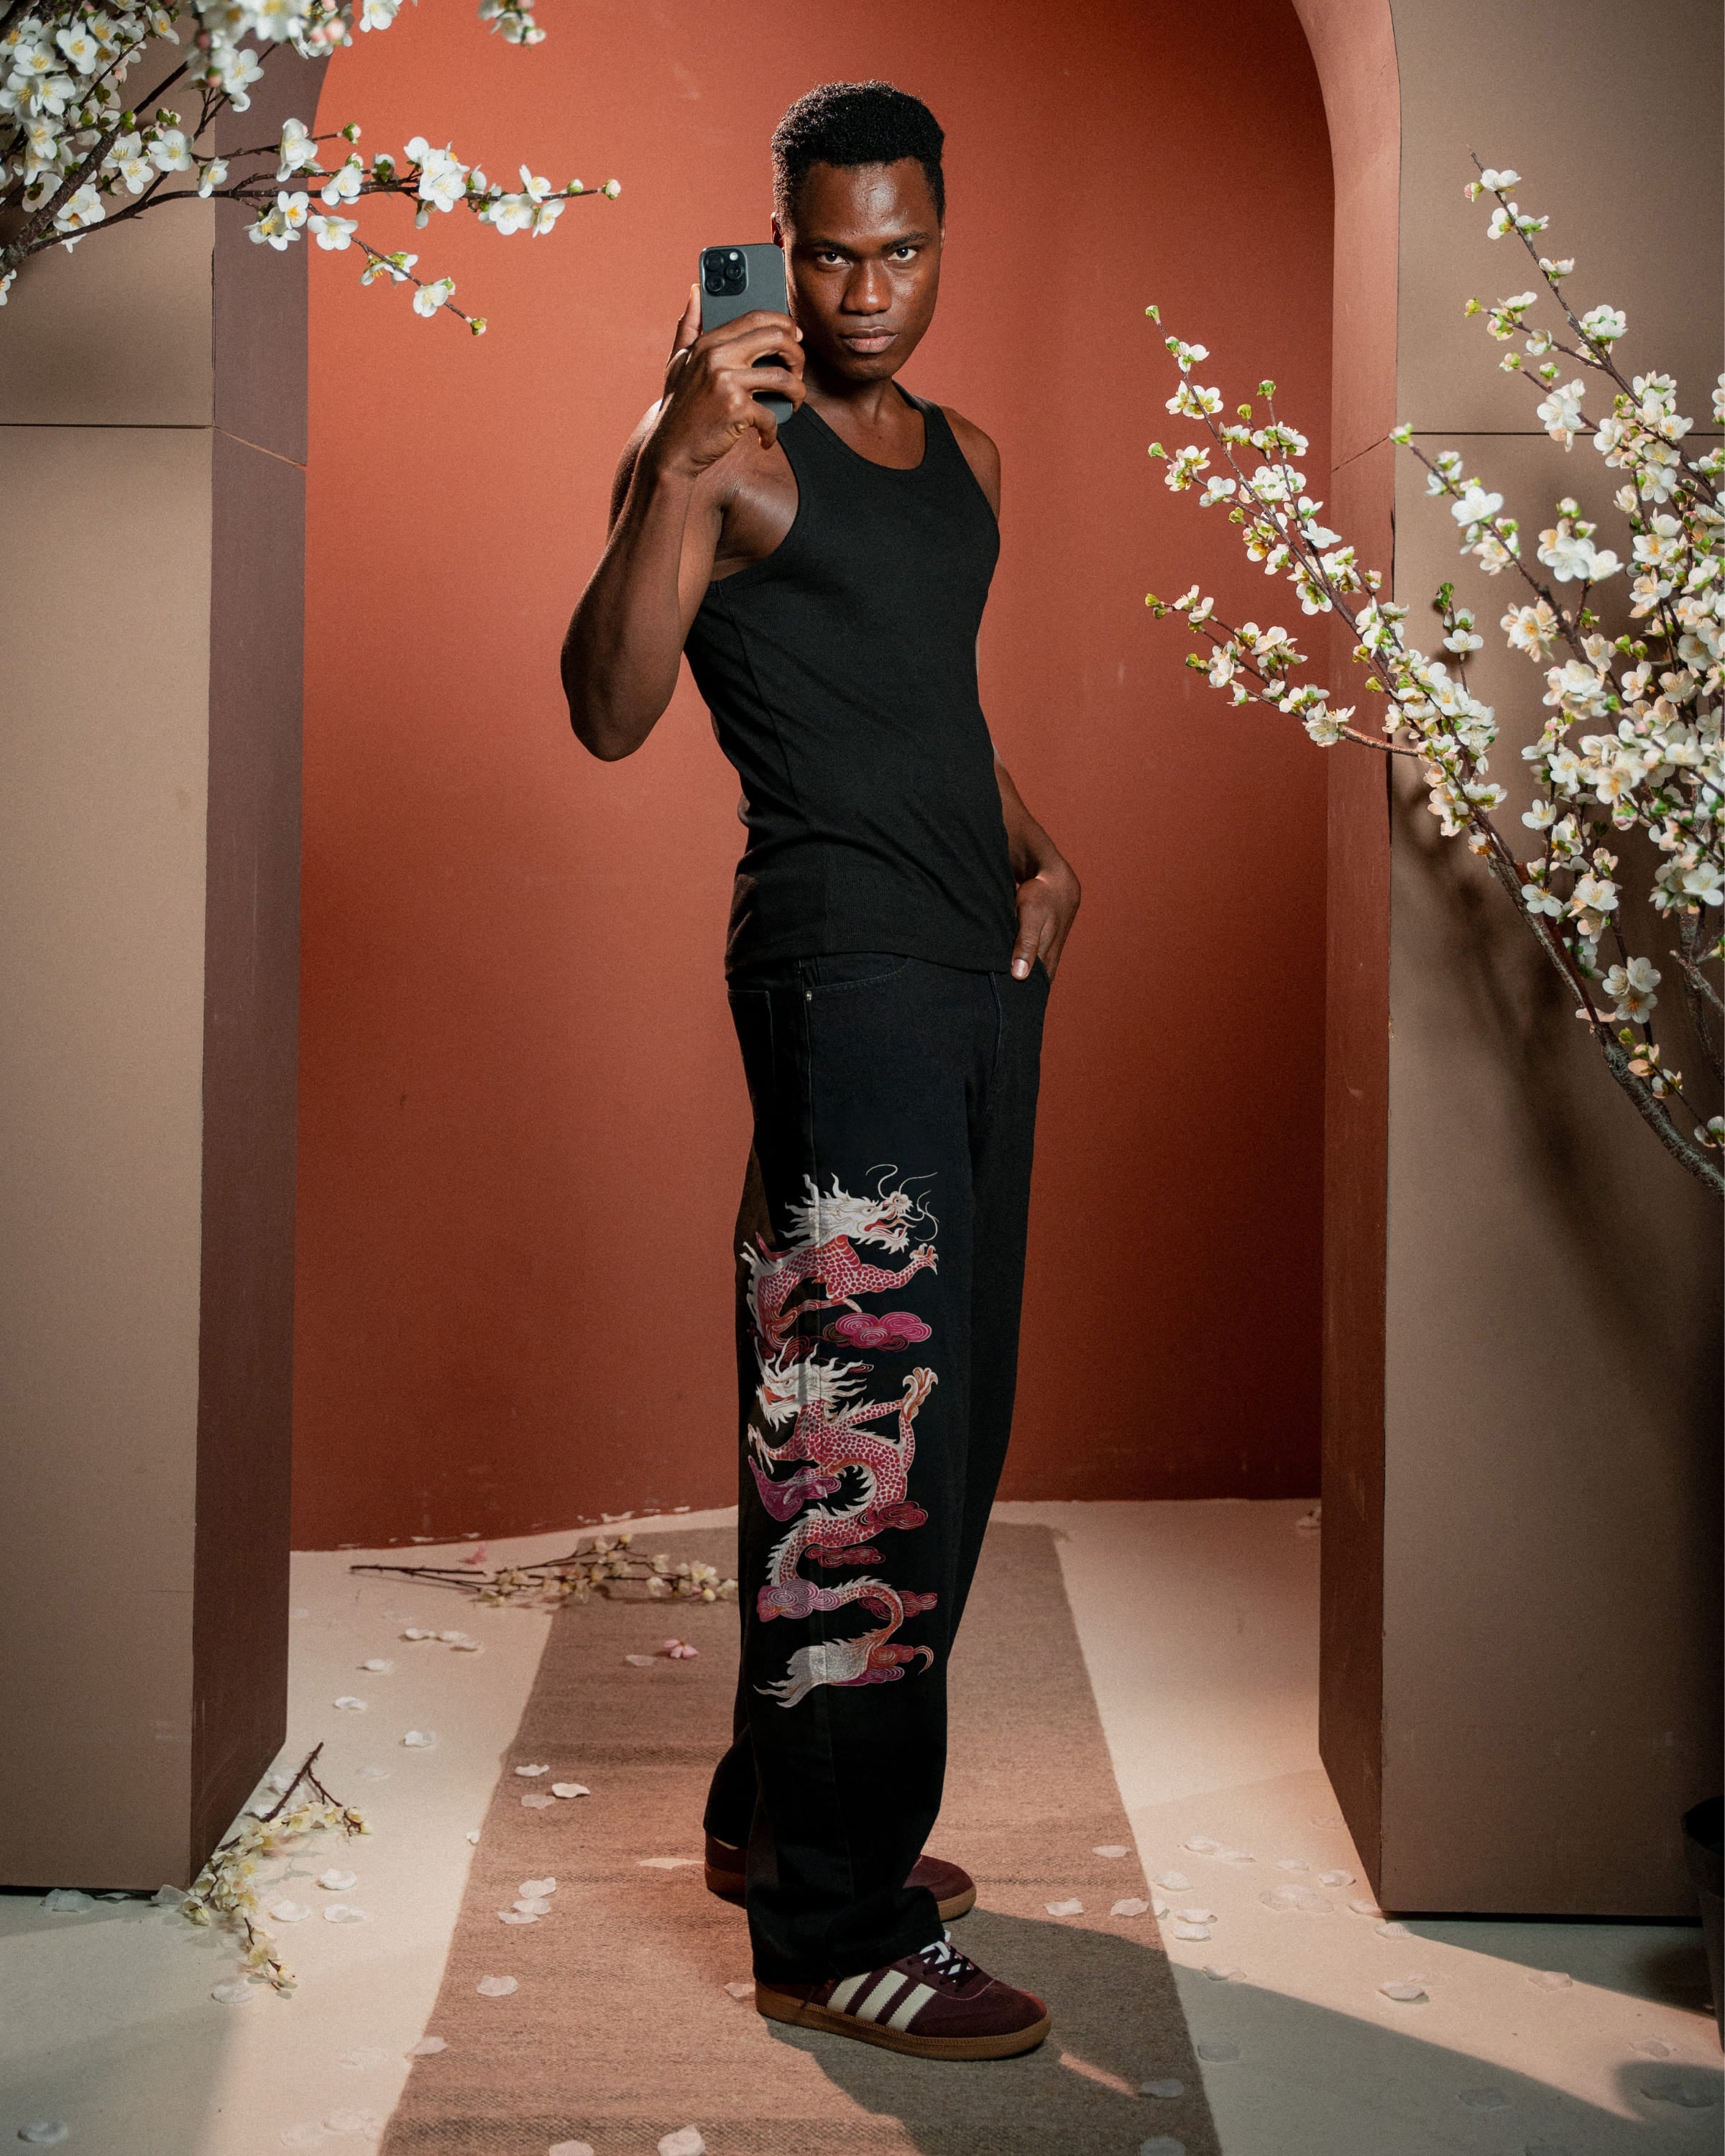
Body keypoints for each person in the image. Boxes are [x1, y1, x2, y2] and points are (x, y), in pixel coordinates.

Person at [561, 79, 1080, 2061]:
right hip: (839, 978)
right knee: (854, 1439)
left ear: (944, 239)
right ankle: (834, 1930)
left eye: (902, 248)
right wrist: (674, 463)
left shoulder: (969, 462)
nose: (866, 291)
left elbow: (921, 699)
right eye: (831, 253)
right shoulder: (726, 449)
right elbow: (607, 706)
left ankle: (774, 1817)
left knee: (943, 1434)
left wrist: (1037, 844)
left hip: (973, 972)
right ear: (778, 245)